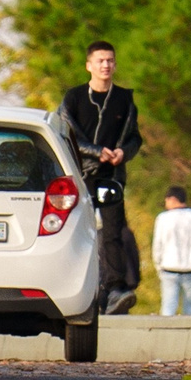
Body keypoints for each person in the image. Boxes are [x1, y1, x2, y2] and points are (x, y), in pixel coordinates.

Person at [61, 40, 145, 315]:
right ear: (89, 66)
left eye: (110, 60)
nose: (106, 65)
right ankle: (75, 288)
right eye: (100, 61)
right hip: (81, 174)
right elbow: (67, 132)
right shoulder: (73, 98)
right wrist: (97, 152)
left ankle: (115, 290)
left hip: (111, 176)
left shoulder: (124, 98)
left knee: (113, 232)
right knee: (78, 231)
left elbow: (135, 137)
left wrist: (123, 152)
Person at [151, 185, 191, 317]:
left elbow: (157, 245)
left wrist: (158, 265)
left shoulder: (163, 218)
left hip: (168, 267)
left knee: (168, 307)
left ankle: (167, 335)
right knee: (190, 310)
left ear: (172, 199)